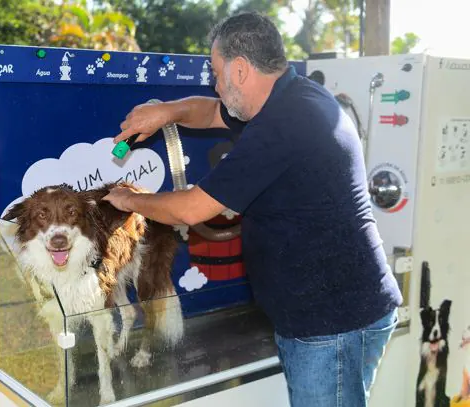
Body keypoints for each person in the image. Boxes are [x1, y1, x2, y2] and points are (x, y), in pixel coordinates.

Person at [102, 11, 403, 407]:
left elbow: (190, 209)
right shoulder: (291, 98)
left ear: (240, 70)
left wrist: (127, 200)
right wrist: (167, 112)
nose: (215, 83)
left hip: (333, 324)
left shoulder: (282, 125)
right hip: (331, 312)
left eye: (216, 72)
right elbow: (211, 112)